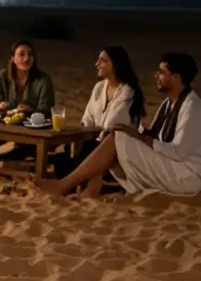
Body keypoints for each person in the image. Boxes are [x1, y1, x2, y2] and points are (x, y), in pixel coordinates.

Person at [35, 52, 201, 198]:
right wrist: (133, 133)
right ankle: (90, 190)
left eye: (161, 72)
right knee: (114, 136)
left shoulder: (192, 108)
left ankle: (62, 186)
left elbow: (178, 152)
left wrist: (137, 137)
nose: (156, 76)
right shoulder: (169, 103)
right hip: (172, 164)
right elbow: (154, 137)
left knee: (116, 140)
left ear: (175, 77)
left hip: (188, 175)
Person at [51, 45, 146, 181]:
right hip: (94, 142)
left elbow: (111, 125)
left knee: (68, 161)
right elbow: (87, 120)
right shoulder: (99, 87)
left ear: (116, 65)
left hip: (114, 150)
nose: (97, 64)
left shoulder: (128, 92)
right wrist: (80, 139)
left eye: (103, 60)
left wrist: (87, 141)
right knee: (66, 155)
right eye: (98, 59)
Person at [0, 40, 56, 161]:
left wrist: (32, 111)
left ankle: (2, 159)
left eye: (30, 54)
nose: (26, 59)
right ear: (13, 58)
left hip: (30, 132)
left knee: (25, 150)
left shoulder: (43, 81)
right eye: (21, 54)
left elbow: (47, 110)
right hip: (2, 128)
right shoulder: (1, 77)